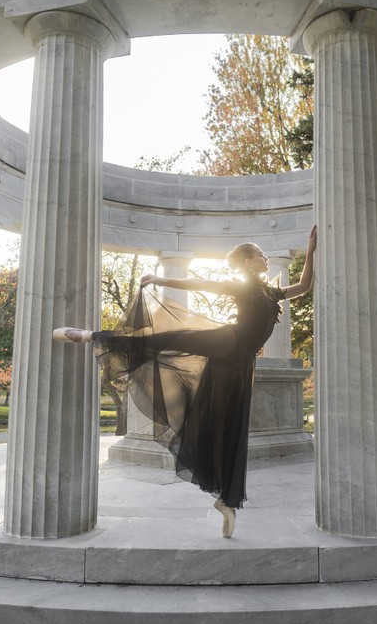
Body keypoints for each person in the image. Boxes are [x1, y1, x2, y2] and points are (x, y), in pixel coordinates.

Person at [54, 226, 316, 538]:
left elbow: (303, 285)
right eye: (260, 254)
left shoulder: (270, 292)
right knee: (168, 338)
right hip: (229, 340)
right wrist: (160, 279)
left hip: (242, 362)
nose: (265, 258)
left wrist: (311, 250)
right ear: (247, 262)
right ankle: (91, 336)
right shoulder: (239, 286)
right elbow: (199, 282)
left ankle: (228, 502)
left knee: (231, 427)